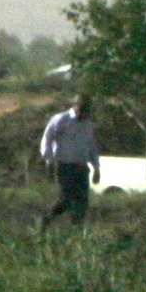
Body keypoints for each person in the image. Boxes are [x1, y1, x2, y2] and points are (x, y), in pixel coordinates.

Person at [37, 95, 100, 232]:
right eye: (82, 107)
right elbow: (47, 139)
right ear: (75, 105)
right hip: (65, 166)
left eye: (87, 108)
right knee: (66, 200)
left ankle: (76, 232)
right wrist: (49, 161)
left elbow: (91, 146)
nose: (84, 111)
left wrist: (96, 168)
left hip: (82, 167)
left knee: (82, 202)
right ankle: (45, 219)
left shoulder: (88, 124)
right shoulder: (61, 119)